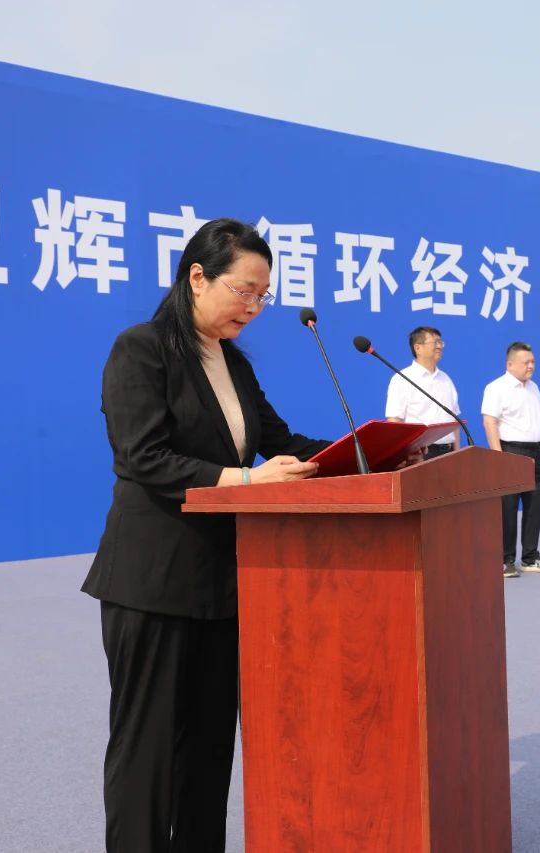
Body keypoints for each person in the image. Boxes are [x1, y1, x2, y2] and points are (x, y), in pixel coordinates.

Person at [82, 218, 332, 852]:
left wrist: (368, 454)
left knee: (210, 750)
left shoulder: (234, 365)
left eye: (263, 296)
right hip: (153, 582)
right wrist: (245, 480)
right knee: (147, 751)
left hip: (222, 586)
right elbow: (143, 456)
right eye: (243, 290)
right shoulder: (141, 349)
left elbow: (281, 444)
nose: (253, 307)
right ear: (197, 277)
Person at [483, 342, 540, 578]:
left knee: (534, 507)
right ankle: (505, 560)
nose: (531, 366)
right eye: (526, 362)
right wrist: (498, 455)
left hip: (536, 452)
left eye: (533, 361)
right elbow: (490, 422)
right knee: (508, 508)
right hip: (511, 452)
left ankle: (530, 557)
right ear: (510, 364)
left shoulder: (534, 388)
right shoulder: (496, 388)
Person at [386, 326, 461, 459]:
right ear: (418, 348)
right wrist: (401, 455)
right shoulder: (403, 378)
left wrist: (458, 453)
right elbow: (395, 421)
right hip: (420, 453)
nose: (439, 346)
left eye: (440, 342)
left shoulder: (446, 379)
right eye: (435, 342)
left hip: (449, 452)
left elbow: (454, 420)